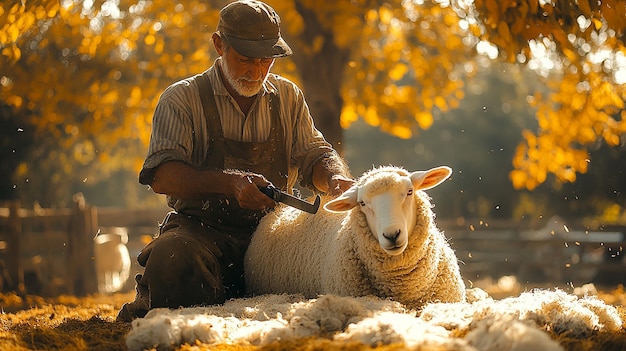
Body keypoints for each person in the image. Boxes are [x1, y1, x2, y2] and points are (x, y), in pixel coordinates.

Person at [116, 0, 355, 322]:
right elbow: (162, 175)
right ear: (219, 44)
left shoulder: (288, 97)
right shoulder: (181, 99)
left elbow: (316, 155)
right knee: (171, 255)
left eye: (265, 60)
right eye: (245, 59)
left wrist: (335, 179)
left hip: (274, 235)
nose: (256, 71)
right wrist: (229, 182)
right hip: (202, 232)